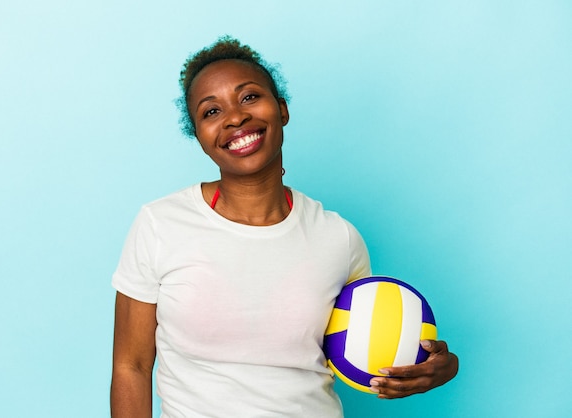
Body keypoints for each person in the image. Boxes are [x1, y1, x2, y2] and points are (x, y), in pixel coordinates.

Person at [110, 36, 458, 418]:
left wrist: (433, 367)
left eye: (248, 98)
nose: (234, 118)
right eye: (211, 112)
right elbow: (132, 366)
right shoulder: (161, 224)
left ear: (281, 110)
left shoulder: (338, 238)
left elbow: (364, 349)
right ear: (199, 138)